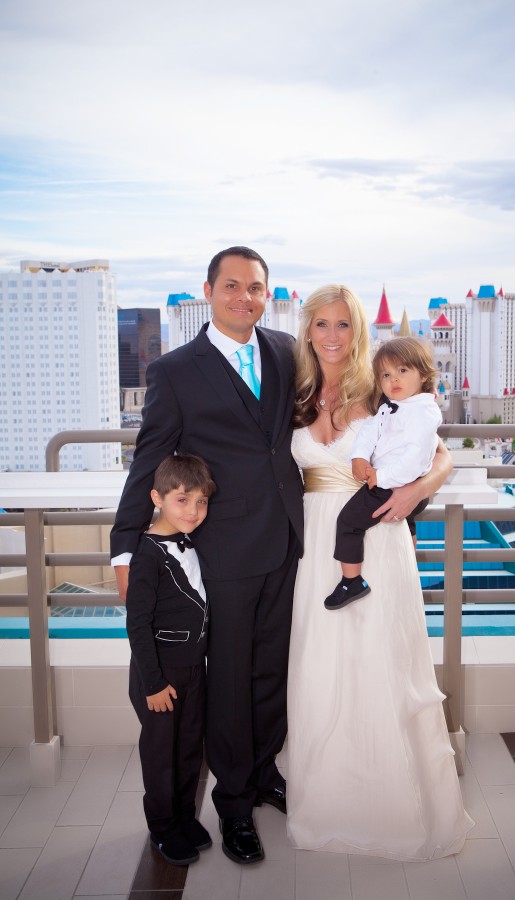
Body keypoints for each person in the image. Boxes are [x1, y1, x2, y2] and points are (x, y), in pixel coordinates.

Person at [111, 247, 304, 865]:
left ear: (267, 293)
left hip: (286, 540)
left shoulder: (284, 349)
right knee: (229, 681)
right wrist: (124, 547)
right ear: (209, 291)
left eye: (255, 287)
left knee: (271, 671)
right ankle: (233, 803)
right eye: (231, 286)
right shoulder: (175, 371)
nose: (244, 297)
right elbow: (150, 461)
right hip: (222, 550)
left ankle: (264, 771)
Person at [287, 285, 474, 860]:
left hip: (377, 536)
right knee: (320, 661)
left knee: (378, 659)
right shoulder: (291, 393)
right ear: (308, 329)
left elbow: (440, 454)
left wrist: (417, 490)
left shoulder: (381, 387)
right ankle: (327, 799)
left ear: (359, 330)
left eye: (344, 324)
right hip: (312, 543)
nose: (333, 335)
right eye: (323, 323)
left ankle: (393, 805)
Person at [126, 454, 215, 866]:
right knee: (162, 753)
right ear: (156, 498)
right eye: (182, 500)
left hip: (193, 668)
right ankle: (162, 826)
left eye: (201, 501)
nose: (193, 511)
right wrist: (153, 683)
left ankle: (183, 815)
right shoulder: (146, 555)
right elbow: (138, 624)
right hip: (160, 674)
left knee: (188, 747)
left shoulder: (193, 541)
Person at [325, 336, 442, 610]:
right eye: (386, 375)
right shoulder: (392, 407)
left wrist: (382, 477)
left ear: (423, 375)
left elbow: (415, 459)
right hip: (393, 481)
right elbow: (369, 431)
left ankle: (351, 581)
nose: (394, 379)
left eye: (402, 370)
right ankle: (407, 562)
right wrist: (359, 456)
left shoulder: (423, 412)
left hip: (394, 484)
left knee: (348, 522)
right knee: (407, 523)